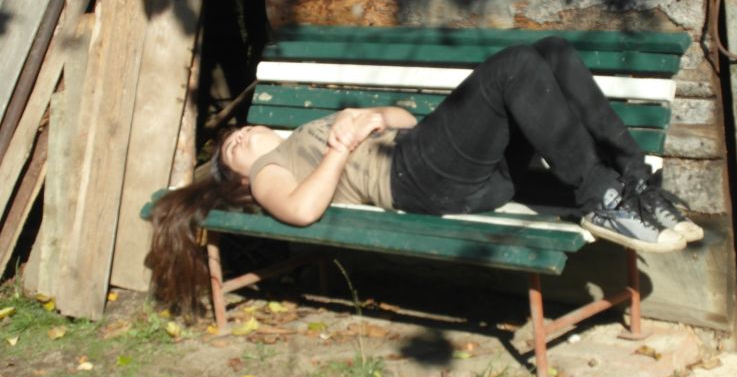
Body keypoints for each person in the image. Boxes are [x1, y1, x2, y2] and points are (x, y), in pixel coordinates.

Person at [146, 37, 702, 314]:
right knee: (514, 66)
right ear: (240, 181)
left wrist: (371, 116)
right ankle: (603, 198)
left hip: (445, 165)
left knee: (552, 51)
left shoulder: (296, 139)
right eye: (232, 149)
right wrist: (339, 148)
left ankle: (634, 184)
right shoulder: (271, 170)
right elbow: (301, 210)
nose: (239, 137)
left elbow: (408, 121)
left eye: (239, 132)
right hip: (416, 177)